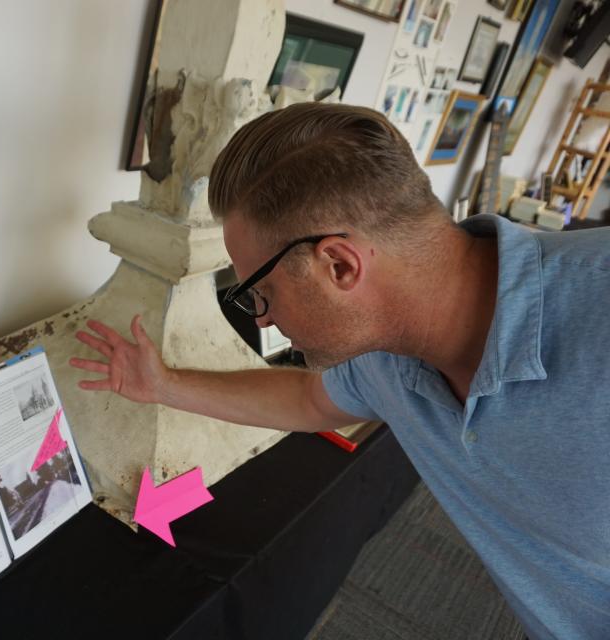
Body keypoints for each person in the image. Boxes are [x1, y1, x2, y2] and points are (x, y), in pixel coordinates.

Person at [69, 103, 610, 639]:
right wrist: (163, 384)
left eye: (263, 293)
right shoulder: (384, 346)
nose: (267, 318)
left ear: (339, 265)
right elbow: (310, 402)